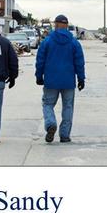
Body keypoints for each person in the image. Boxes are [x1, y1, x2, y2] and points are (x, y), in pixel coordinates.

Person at [35, 15, 86, 143]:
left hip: (51, 80)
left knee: (48, 104)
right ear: (67, 26)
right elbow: (79, 62)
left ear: (56, 25)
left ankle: (50, 123)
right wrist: (81, 79)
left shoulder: (47, 41)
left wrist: (39, 76)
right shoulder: (74, 42)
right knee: (68, 107)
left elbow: (40, 60)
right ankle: (64, 135)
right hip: (68, 81)